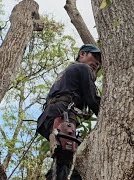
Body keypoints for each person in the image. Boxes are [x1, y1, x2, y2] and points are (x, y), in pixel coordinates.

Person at [37, 44, 102, 180]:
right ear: (82, 54)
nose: (97, 62)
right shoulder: (84, 68)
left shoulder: (69, 72)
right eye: (94, 56)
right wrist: (107, 115)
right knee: (66, 155)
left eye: (100, 61)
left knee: (63, 157)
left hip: (50, 114)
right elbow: (93, 100)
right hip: (63, 112)